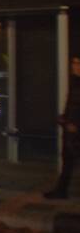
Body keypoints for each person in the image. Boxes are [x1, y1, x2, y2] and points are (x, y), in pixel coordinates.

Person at [45, 55, 80, 199]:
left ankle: (61, 190)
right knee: (68, 160)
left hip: (75, 129)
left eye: (78, 63)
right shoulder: (75, 82)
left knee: (70, 159)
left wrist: (75, 124)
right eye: (74, 62)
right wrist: (64, 119)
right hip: (70, 128)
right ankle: (61, 190)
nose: (75, 66)